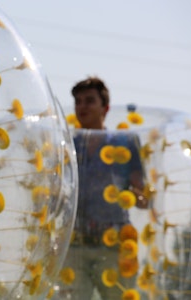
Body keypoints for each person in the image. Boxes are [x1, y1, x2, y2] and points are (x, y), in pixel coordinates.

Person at [60, 77, 148, 299]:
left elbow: (143, 195)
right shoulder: (66, 144)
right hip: (74, 245)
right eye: (78, 101)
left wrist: (138, 196)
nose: (82, 107)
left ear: (105, 108)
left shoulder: (125, 142)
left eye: (89, 101)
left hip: (115, 247)